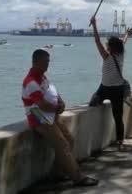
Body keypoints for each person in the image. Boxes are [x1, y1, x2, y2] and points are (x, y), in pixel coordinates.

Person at [21, 49, 98, 187]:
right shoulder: (30, 82)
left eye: (48, 62)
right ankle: (78, 177)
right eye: (45, 62)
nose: (47, 65)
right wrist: (58, 108)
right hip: (38, 116)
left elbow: (53, 92)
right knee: (62, 144)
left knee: (69, 140)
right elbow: (42, 105)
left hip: (51, 115)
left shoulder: (43, 78)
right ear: (36, 62)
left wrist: (61, 102)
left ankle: (57, 173)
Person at [89, 17, 132, 150]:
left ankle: (120, 140)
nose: (106, 46)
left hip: (105, 88)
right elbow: (123, 41)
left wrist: (94, 25)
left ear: (111, 48)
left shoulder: (106, 56)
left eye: (108, 45)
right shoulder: (120, 55)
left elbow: (97, 40)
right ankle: (120, 141)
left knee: (93, 103)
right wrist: (127, 34)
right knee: (118, 116)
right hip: (117, 89)